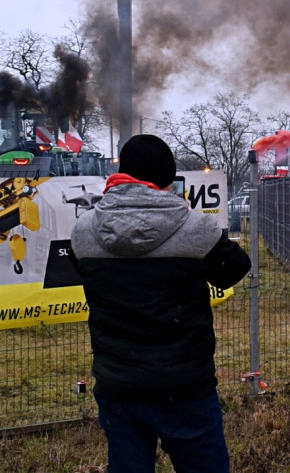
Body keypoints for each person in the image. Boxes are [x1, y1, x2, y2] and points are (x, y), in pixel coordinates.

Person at [70, 134, 251, 472]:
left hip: (118, 387)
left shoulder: (83, 231)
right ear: (168, 179)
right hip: (185, 388)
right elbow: (235, 270)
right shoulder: (195, 227)